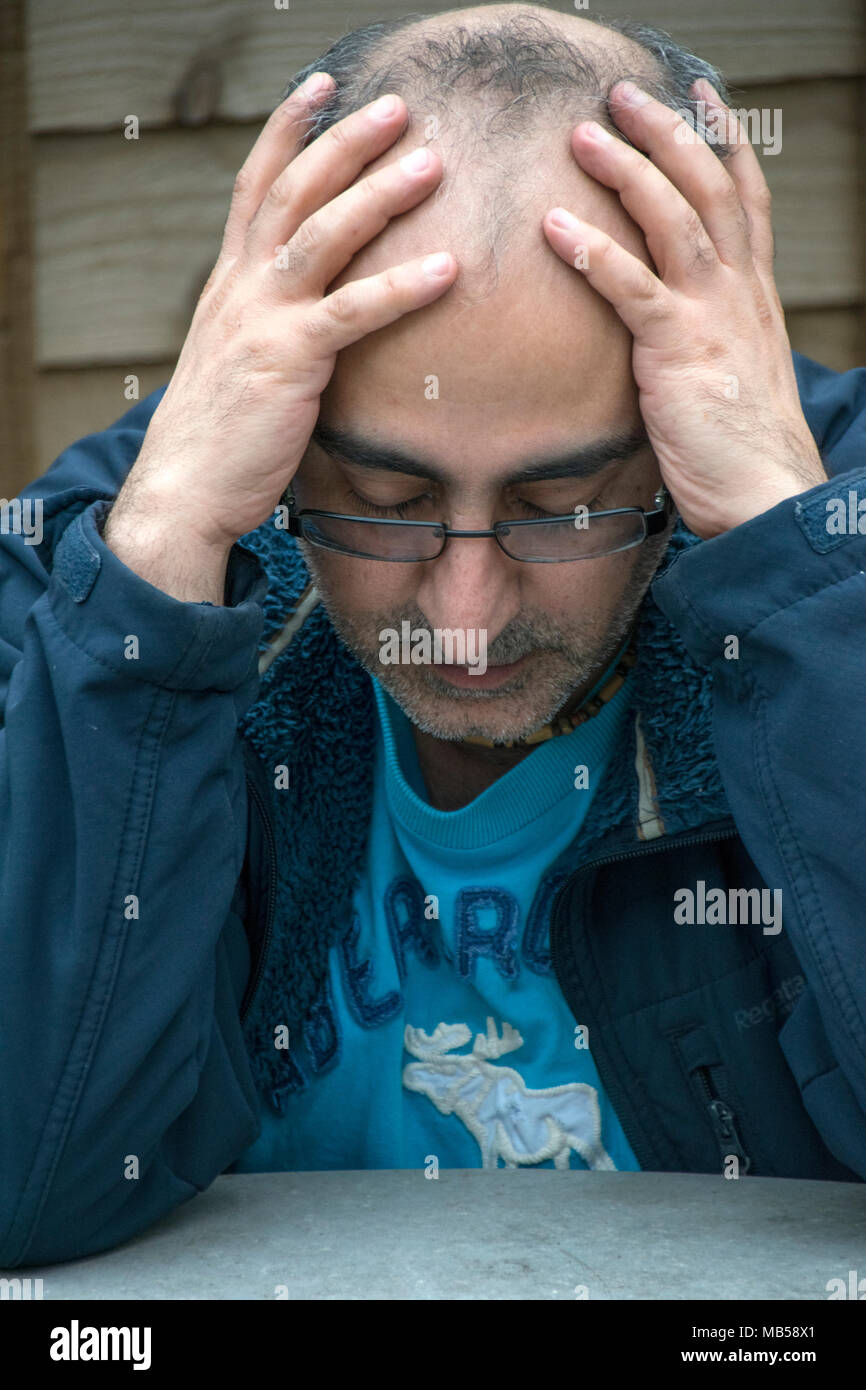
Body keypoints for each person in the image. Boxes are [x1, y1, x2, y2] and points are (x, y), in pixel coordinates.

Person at [2, 3, 865, 1269]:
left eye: (562, 507)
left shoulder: (820, 551)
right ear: (288, 428)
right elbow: (27, 1185)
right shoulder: (98, 573)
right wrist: (166, 558)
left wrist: (787, 572)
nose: (461, 626)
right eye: (386, 505)